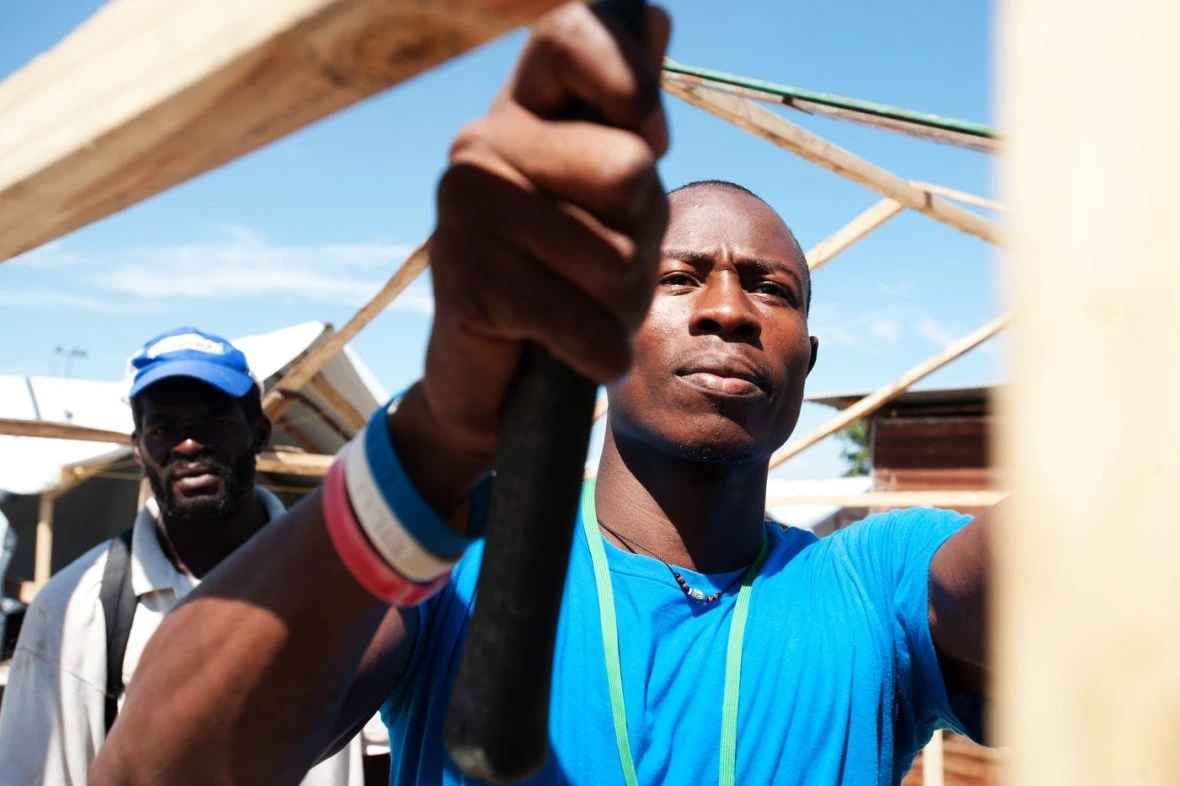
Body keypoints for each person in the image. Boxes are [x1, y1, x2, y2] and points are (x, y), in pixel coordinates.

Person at [91, 5, 990, 785]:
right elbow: (150, 770)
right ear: (593, 323)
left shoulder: (874, 583)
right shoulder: (461, 567)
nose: (728, 310)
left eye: (773, 289)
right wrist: (431, 441)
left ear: (808, 356)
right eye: (679, 277)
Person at [0, 328, 372, 785]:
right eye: (164, 428)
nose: (191, 445)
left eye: (216, 422)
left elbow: (381, 753)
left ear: (259, 434)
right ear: (138, 448)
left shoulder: (338, 589)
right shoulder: (74, 607)